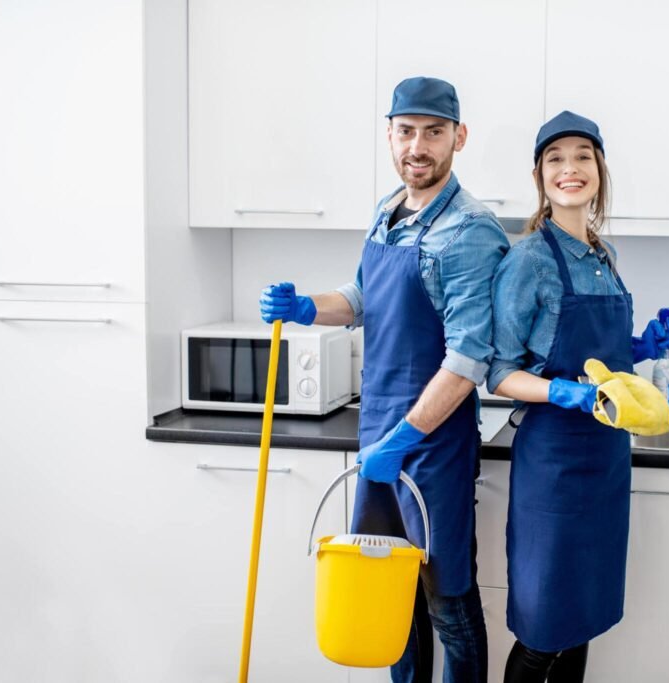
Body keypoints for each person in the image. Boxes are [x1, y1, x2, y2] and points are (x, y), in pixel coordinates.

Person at [261, 77, 509, 683]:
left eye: (433, 132)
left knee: (446, 600)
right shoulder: (387, 209)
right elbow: (362, 297)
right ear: (390, 135)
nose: (417, 147)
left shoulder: (471, 231)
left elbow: (468, 359)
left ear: (459, 137)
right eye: (405, 131)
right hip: (377, 433)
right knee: (387, 592)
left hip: (432, 444)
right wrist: (306, 309)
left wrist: (403, 438)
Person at [487, 111, 669, 682]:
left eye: (582, 156)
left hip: (605, 462)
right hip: (553, 467)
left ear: (598, 169)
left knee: (582, 622)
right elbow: (499, 371)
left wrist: (643, 344)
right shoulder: (528, 259)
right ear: (540, 177)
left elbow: (605, 356)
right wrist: (561, 394)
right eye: (556, 159)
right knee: (544, 628)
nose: (570, 168)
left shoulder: (604, 255)